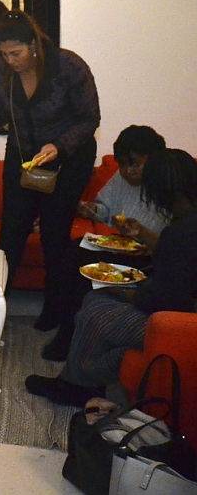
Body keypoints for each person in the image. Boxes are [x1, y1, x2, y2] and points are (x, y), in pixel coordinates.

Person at [25, 149, 197, 407]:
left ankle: (73, 387)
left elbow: (167, 298)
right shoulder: (186, 222)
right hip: (178, 310)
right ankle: (78, 383)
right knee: (97, 306)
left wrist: (125, 291)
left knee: (96, 310)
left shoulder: (183, 231)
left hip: (179, 323)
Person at [0, 10, 100, 359]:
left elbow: (89, 118)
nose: (10, 61)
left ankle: (56, 310)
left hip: (68, 157)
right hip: (23, 154)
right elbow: (2, 114)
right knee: (12, 231)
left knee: (53, 234)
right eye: (4, 54)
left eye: (16, 53)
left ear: (33, 45)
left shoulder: (68, 66)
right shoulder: (3, 71)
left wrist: (59, 146)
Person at [40, 126, 171, 361]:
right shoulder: (121, 178)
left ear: (154, 159)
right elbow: (106, 210)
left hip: (149, 257)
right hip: (123, 246)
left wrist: (146, 239)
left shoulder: (170, 184)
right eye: (122, 164)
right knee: (74, 249)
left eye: (135, 164)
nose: (128, 171)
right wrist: (92, 209)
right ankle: (60, 317)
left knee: (88, 267)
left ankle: (67, 338)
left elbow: (175, 244)